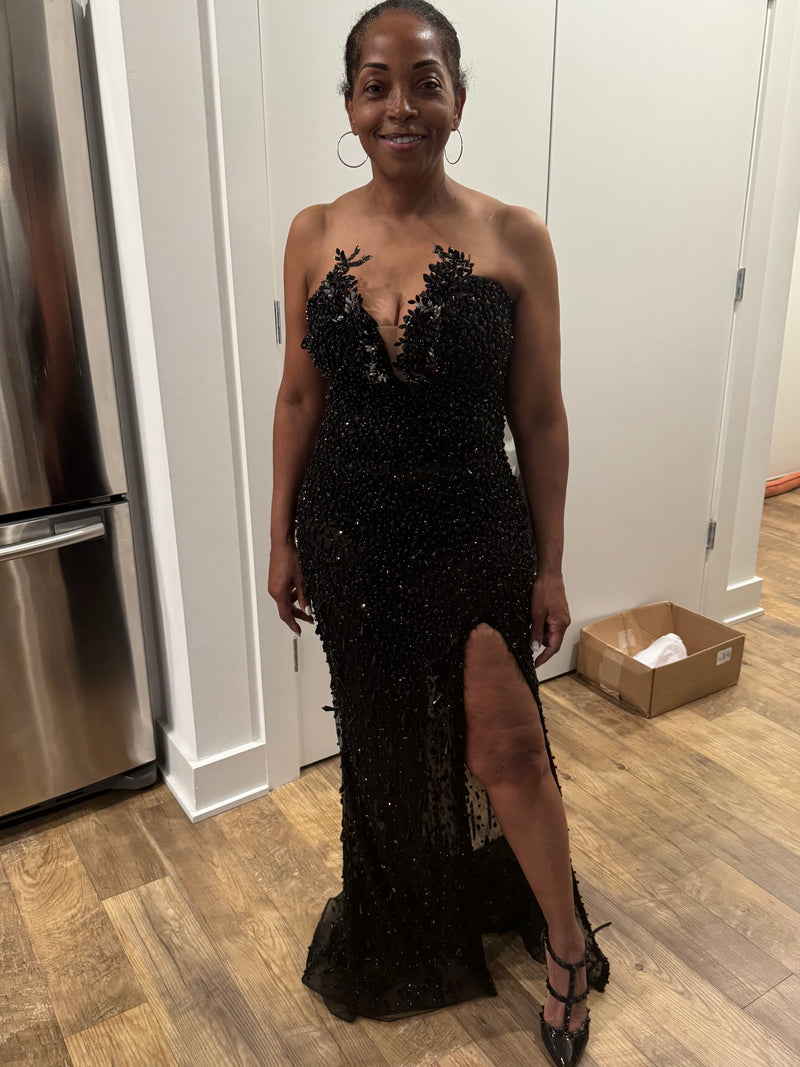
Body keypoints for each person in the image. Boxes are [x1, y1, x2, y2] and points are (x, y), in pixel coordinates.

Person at [269, 3, 610, 1063]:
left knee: (507, 746)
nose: (400, 106)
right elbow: (298, 396)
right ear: (349, 103)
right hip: (348, 534)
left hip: (473, 531)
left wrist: (550, 564)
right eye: (375, 85)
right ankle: (412, 920)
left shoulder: (513, 235)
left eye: (424, 81)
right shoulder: (312, 232)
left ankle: (565, 947)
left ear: (458, 98)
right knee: (381, 749)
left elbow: (539, 415)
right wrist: (279, 535)